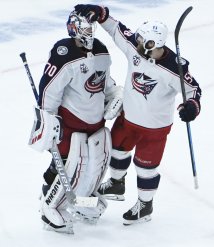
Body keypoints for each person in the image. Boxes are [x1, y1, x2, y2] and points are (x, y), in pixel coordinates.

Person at [73, 4, 202, 225]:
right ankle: (116, 182)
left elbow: (193, 91)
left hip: (155, 128)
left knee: (145, 167)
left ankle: (145, 206)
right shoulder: (136, 47)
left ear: (155, 44)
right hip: (128, 118)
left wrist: (191, 106)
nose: (138, 43)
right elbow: (117, 30)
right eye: (139, 39)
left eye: (144, 42)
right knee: (116, 149)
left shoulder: (174, 68)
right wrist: (101, 13)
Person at [28, 11, 123, 234]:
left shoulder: (100, 49)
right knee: (67, 165)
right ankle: (49, 204)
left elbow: (105, 82)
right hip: (70, 122)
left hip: (95, 121)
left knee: (95, 164)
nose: (89, 32)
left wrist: (115, 94)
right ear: (73, 28)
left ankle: (83, 200)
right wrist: (48, 120)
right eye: (85, 28)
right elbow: (50, 90)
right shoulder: (64, 52)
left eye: (91, 28)